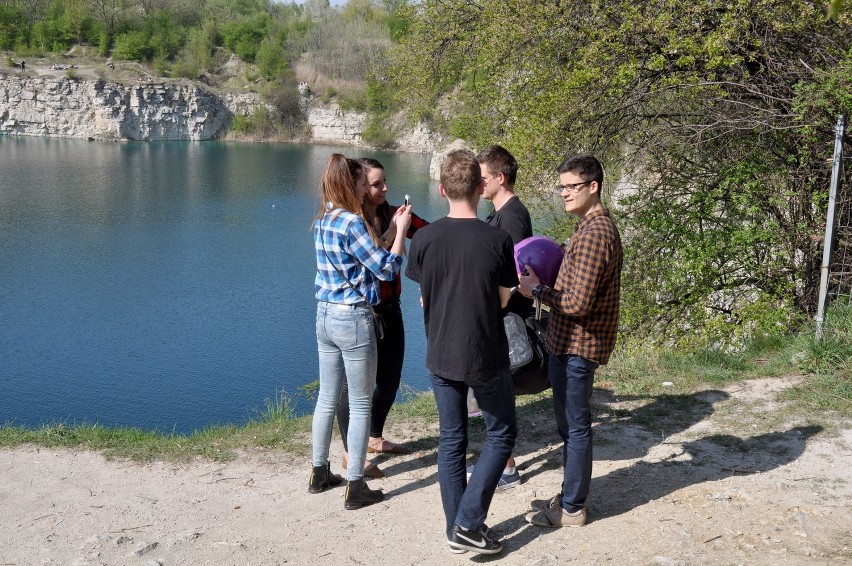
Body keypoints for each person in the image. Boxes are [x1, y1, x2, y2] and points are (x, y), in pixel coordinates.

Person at [406, 149, 518, 555]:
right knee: (502, 432)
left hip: (441, 354)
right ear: (479, 187)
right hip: (484, 353)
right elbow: (504, 300)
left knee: (452, 440)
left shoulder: (425, 238)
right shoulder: (498, 240)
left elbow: (424, 297)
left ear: (441, 189)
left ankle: (457, 529)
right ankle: (468, 523)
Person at [518, 154, 623, 528]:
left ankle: (573, 508)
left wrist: (537, 290)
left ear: (593, 187)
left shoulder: (596, 233)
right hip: (567, 343)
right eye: (561, 186)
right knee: (569, 426)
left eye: (571, 186)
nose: (564, 193)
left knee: (576, 427)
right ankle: (569, 496)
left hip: (580, 344)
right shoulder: (585, 227)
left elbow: (577, 303)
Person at [309, 154, 412, 510]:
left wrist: (386, 231)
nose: (364, 187)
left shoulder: (324, 219)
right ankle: (356, 483)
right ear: (348, 183)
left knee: (326, 397)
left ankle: (319, 472)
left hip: (324, 315)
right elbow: (386, 269)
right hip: (352, 319)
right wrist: (400, 232)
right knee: (361, 400)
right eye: (359, 182)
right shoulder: (352, 222)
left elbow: (364, 257)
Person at [336, 158, 429, 478]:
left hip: (391, 309)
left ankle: (374, 437)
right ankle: (351, 453)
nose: (383, 188)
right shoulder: (354, 222)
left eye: (385, 182)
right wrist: (395, 232)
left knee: (389, 380)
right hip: (361, 313)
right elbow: (378, 259)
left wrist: (464, 228)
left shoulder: (395, 213)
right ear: (360, 187)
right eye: (376, 184)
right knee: (353, 387)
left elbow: (429, 234)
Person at [466, 145, 534, 490]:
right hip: (499, 314)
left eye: (483, 178)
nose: (478, 185)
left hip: (508, 318)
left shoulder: (512, 217)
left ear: (500, 178)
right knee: (493, 393)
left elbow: (514, 272)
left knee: (497, 394)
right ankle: (500, 460)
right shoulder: (500, 214)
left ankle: (505, 467)